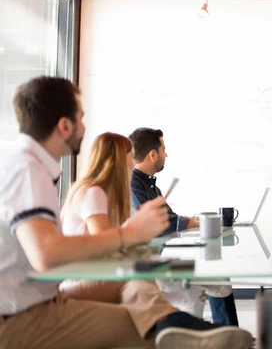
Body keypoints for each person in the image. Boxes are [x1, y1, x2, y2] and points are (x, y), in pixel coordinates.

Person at [0, 76, 252, 349]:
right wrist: (128, 234)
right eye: (81, 118)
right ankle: (184, 334)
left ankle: (180, 328)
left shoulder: (29, 167)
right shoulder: (28, 171)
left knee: (137, 283)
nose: (84, 127)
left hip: (42, 297)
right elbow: (46, 254)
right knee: (139, 328)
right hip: (21, 315)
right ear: (64, 125)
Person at [129, 127, 239, 326]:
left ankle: (226, 334)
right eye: (163, 150)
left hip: (157, 258)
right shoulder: (133, 185)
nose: (166, 154)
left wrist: (196, 222)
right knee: (217, 278)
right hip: (147, 265)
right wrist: (194, 223)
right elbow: (157, 222)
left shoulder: (150, 185)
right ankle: (227, 335)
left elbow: (170, 217)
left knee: (218, 274)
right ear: (153, 155)